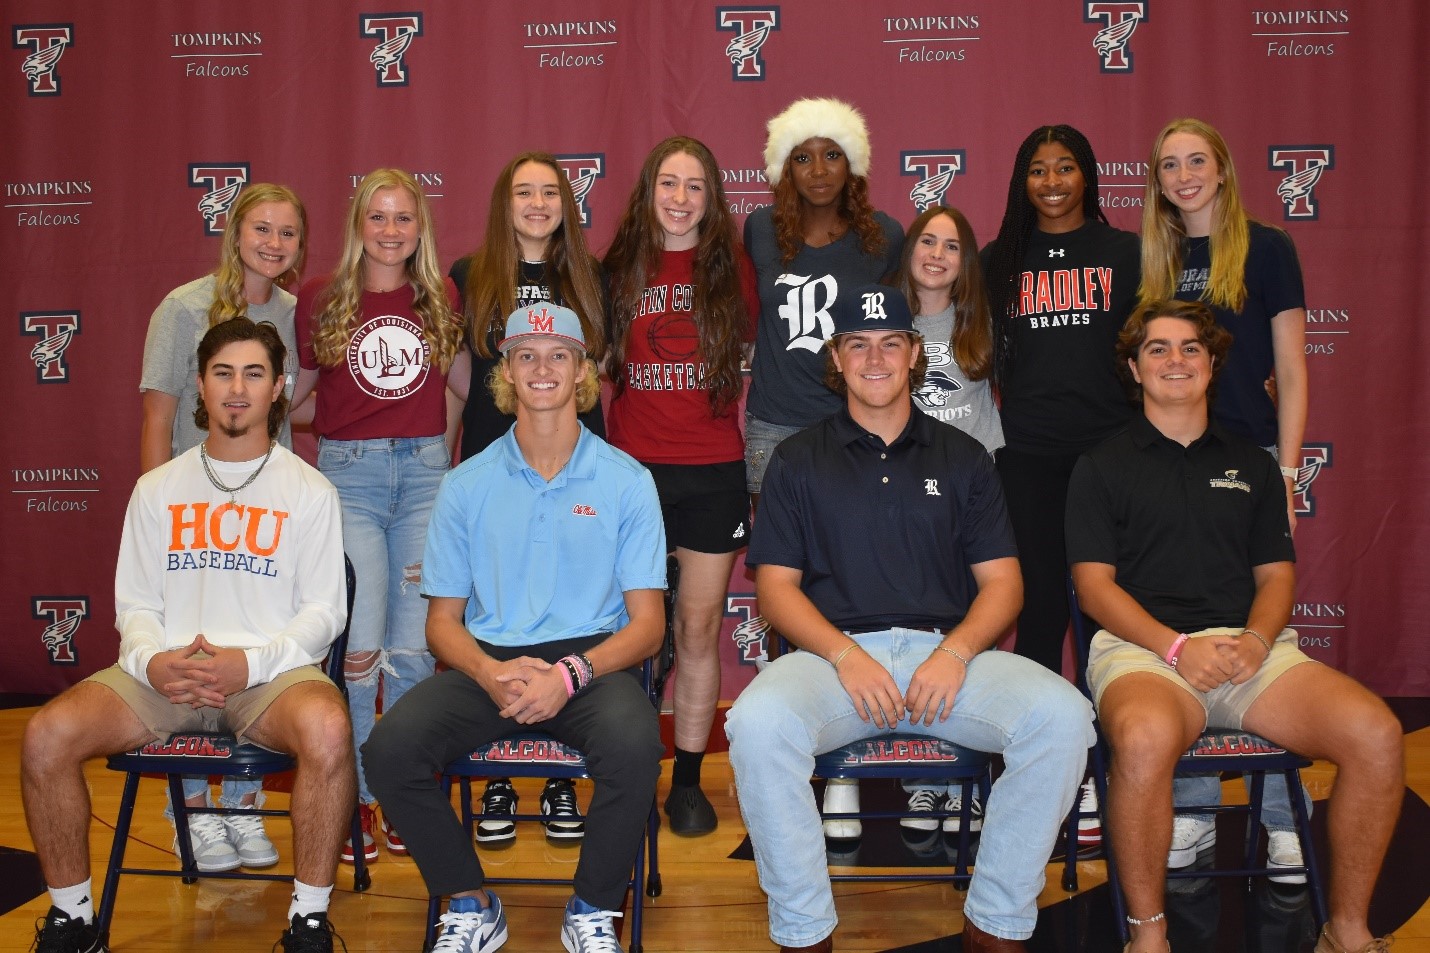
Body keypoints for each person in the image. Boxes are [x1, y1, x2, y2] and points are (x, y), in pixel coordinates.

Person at [725, 284, 1094, 953]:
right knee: (755, 721)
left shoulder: (963, 457)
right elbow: (776, 589)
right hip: (831, 661)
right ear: (835, 357)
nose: (875, 357)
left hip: (946, 659)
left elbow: (1004, 586)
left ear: (914, 352)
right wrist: (844, 654)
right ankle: (806, 933)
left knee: (1064, 716)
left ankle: (996, 922)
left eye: (890, 341)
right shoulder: (798, 458)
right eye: (857, 344)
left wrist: (954, 653)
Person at [1067, 299, 1402, 953]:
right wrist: (1174, 645)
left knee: (1378, 734)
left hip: (1252, 650)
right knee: (1140, 740)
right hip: (1146, 651)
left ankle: (1348, 930)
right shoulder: (1100, 465)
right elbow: (1093, 586)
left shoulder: (1251, 463)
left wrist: (1253, 640)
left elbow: (1277, 578)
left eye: (1191, 347)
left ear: (1213, 365)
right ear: (1134, 369)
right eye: (1157, 349)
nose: (1175, 360)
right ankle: (1148, 936)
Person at [24, 318, 353, 953]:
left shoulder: (310, 491)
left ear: (278, 387)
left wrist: (250, 665)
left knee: (329, 727)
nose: (237, 389)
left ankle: (308, 922)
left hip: (266, 678)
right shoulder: (157, 488)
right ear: (200, 385)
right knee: (46, 735)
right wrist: (151, 662)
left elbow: (322, 613)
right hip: (165, 674)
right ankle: (74, 919)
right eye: (222, 373)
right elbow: (137, 602)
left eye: (254, 374)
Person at [363, 302, 665, 953]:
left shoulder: (627, 480)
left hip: (591, 663)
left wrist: (569, 673)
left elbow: (648, 627)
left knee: (637, 745)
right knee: (389, 750)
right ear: (506, 373)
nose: (543, 367)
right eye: (526, 354)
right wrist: (488, 671)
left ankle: (591, 908)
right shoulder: (465, 483)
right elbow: (442, 622)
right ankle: (471, 901)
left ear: (583, 371)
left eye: (559, 353)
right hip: (488, 661)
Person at [1140, 118, 1314, 875]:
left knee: (1263, 634)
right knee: (1189, 624)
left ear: (1222, 167)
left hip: (1250, 458)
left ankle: (1282, 812)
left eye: (1196, 161)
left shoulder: (1268, 247)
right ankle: (1198, 806)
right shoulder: (1154, 255)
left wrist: (1286, 469)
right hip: (1173, 459)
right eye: (1170, 165)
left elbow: (1294, 368)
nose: (1184, 176)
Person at [291, 168, 467, 865]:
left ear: (420, 227)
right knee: (359, 653)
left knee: (417, 649)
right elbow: (300, 393)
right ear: (358, 224)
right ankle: (361, 796)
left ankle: (403, 792)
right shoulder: (322, 297)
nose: (390, 230)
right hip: (351, 479)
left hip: (424, 476)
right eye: (378, 217)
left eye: (403, 218)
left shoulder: (437, 295)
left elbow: (459, 384)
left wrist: (443, 454)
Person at [743, 96, 904, 836]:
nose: (817, 170)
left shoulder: (885, 238)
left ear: (854, 165)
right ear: (782, 168)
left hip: (852, 430)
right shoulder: (757, 232)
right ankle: (797, 757)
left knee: (853, 583)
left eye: (832, 154)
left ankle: (859, 751)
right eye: (802, 156)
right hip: (776, 434)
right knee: (786, 592)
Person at [137, 182, 308, 874]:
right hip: (194, 521)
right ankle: (192, 811)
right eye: (262, 229)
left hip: (268, 521)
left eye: (288, 233)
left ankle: (238, 800)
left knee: (258, 651)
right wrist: (155, 523)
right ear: (234, 231)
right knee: (192, 655)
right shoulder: (183, 308)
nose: (274, 243)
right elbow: (156, 421)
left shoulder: (293, 312)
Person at [981, 125, 1140, 840]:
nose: (1051, 181)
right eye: (1038, 169)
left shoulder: (1125, 252)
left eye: (1065, 167)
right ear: (1022, 180)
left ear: (1088, 176)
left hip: (1111, 457)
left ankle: (1114, 771)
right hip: (1029, 457)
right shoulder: (998, 261)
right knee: (1040, 612)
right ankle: (1038, 772)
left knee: (1112, 621)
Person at [447, 152, 608, 845]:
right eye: (524, 192)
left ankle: (566, 780)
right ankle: (502, 777)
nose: (538, 203)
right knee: (499, 612)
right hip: (496, 464)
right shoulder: (467, 275)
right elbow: (457, 378)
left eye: (550, 192)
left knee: (570, 607)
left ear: (565, 205)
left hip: (576, 466)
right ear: (503, 203)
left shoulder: (592, 277)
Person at [603, 136, 759, 835]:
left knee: (697, 629)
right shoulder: (618, 269)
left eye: (695, 186)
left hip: (713, 471)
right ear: (648, 190)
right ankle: (627, 774)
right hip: (632, 472)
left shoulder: (735, 274)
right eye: (669, 182)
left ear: (713, 198)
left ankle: (688, 782)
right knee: (632, 633)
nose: (680, 198)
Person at [888, 206, 1004, 837]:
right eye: (927, 241)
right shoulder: (887, 318)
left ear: (966, 263)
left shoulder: (979, 325)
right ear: (909, 250)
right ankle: (921, 777)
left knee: (967, 639)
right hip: (906, 503)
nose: (936, 253)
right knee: (912, 634)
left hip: (971, 497)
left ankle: (963, 773)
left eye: (952, 246)